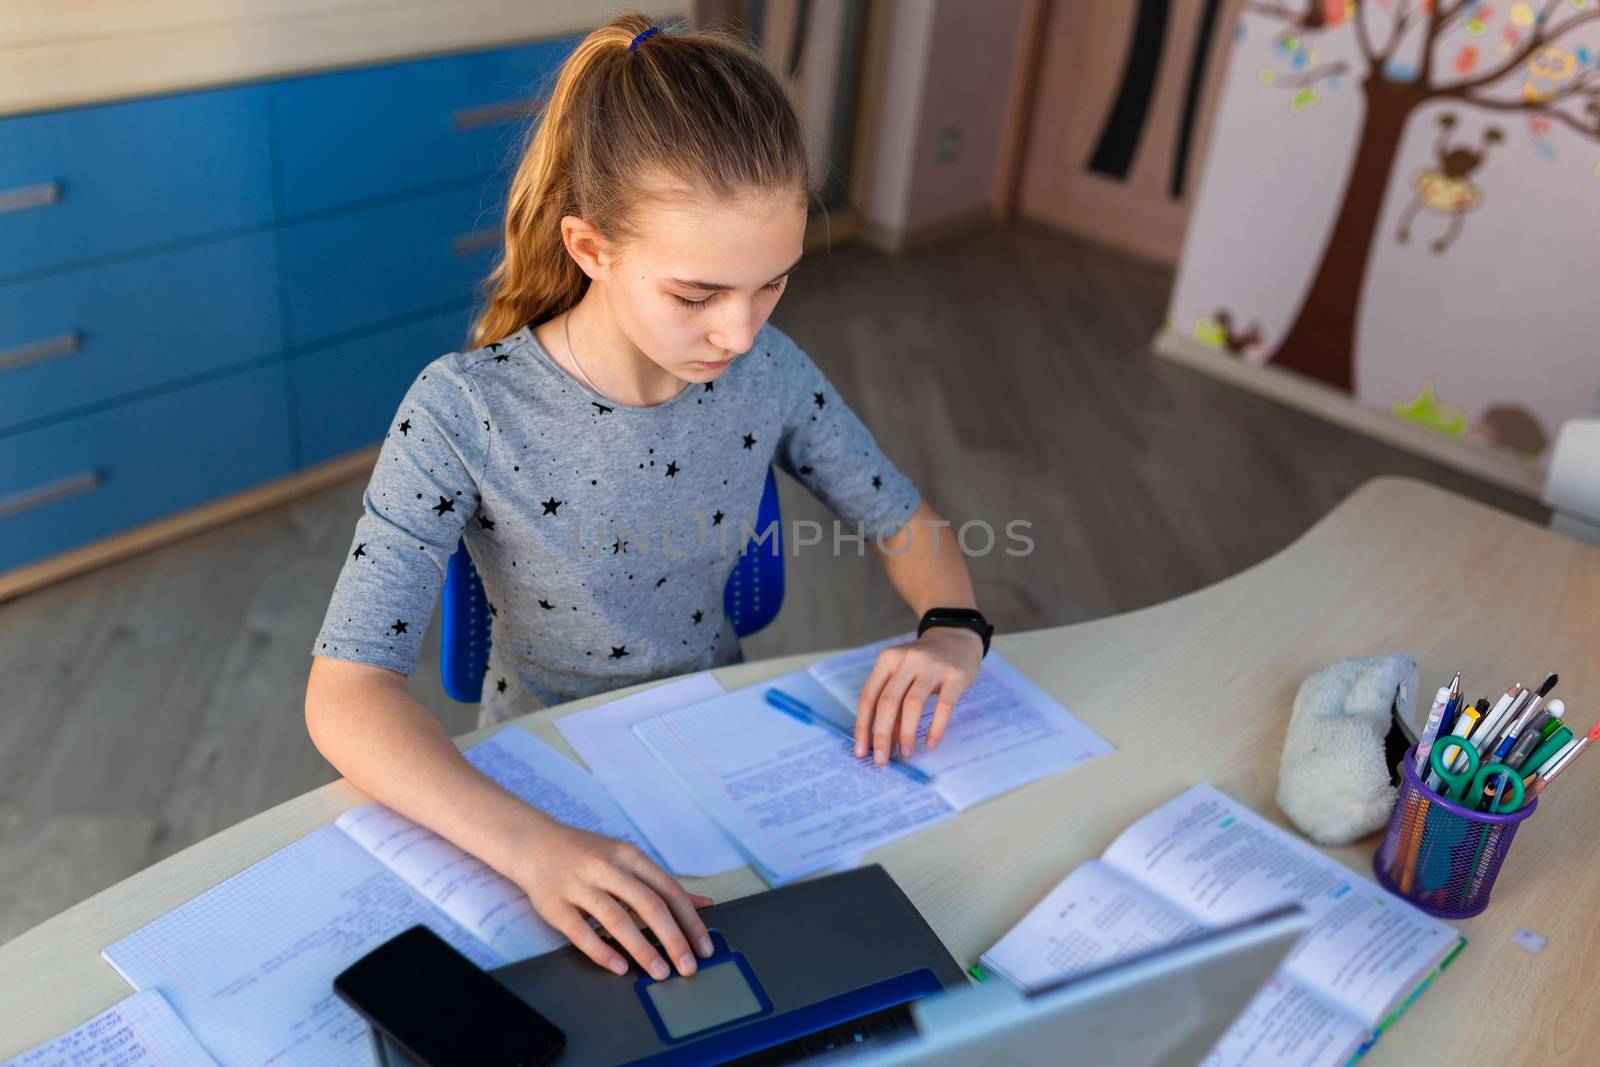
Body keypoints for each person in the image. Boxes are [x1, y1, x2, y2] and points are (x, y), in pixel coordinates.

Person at [303, 14, 990, 985]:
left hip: (716, 754)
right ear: (590, 247)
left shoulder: (769, 373)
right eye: (698, 294)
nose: (740, 333)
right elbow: (347, 691)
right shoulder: (463, 408)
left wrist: (953, 624)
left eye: (772, 286)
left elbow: (901, 516)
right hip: (533, 782)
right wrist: (534, 846)